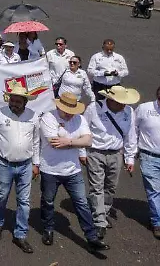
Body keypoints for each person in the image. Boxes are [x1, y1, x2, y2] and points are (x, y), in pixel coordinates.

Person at [38, 92, 110, 251]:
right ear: (58, 106)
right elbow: (54, 142)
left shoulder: (80, 118)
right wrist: (77, 142)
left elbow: (89, 140)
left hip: (73, 170)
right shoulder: (48, 118)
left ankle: (91, 236)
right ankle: (48, 228)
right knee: (48, 201)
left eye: (72, 111)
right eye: (66, 111)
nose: (70, 115)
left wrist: (68, 141)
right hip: (50, 168)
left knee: (82, 203)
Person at [0, 85, 39, 253]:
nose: (14, 103)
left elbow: (36, 141)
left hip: (25, 165)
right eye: (12, 100)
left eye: (18, 101)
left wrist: (36, 163)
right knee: (2, 195)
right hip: (4, 164)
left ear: (25, 102)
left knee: (24, 201)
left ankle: (20, 234)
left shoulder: (33, 116)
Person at [83, 85, 139, 239]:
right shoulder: (93, 108)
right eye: (120, 102)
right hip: (95, 152)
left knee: (111, 187)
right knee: (96, 187)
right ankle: (99, 221)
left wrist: (130, 158)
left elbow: (131, 136)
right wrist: (82, 152)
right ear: (110, 99)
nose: (123, 105)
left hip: (116, 153)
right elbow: (83, 129)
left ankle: (105, 210)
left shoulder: (129, 111)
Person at [132, 86, 160, 239]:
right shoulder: (144, 109)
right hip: (149, 156)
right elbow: (133, 128)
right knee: (154, 191)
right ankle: (157, 223)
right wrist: (132, 151)